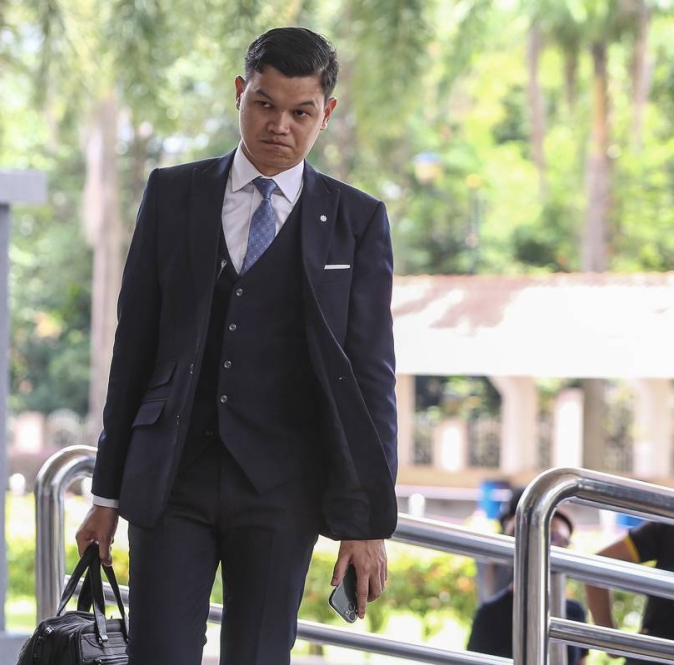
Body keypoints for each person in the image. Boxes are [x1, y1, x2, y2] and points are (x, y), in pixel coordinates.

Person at [74, 27, 398, 665]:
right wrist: (106, 497)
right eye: (264, 103)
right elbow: (134, 349)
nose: (280, 124)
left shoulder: (357, 222)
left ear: (325, 114)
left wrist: (368, 522)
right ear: (239, 94)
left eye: (301, 112)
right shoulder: (173, 194)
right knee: (158, 655)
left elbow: (370, 377)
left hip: (284, 488)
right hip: (174, 479)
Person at [466, 489, 588, 664]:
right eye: (551, 537)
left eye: (563, 542)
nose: (555, 548)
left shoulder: (574, 611)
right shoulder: (491, 613)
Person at [585, 520, 674, 663]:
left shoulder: (666, 522)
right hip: (654, 652)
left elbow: (595, 569)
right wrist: (612, 641)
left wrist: (611, 642)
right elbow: (595, 569)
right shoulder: (666, 524)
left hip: (655, 652)